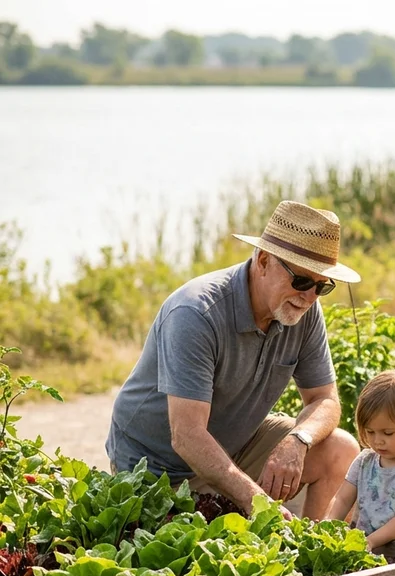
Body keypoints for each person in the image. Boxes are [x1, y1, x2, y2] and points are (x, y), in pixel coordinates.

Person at [105, 200, 362, 520]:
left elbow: (325, 400)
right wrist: (256, 499)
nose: (309, 297)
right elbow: (186, 436)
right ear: (265, 260)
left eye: (322, 287)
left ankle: (312, 553)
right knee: (190, 555)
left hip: (235, 444)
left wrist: (297, 440)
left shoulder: (303, 312)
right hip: (158, 466)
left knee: (341, 451)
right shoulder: (196, 313)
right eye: (302, 282)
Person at [323, 368, 395, 549]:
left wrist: (371, 541)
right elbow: (343, 499)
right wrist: (328, 524)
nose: (377, 441)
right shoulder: (365, 461)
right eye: (370, 432)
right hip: (366, 551)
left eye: (388, 433)